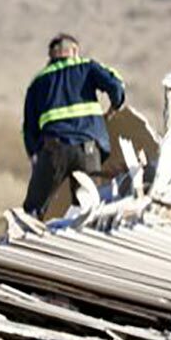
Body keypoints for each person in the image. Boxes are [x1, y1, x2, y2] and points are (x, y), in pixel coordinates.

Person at [21, 33, 125, 219]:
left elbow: (29, 129)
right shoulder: (87, 67)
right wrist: (112, 109)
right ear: (74, 51)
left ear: (52, 55)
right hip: (88, 150)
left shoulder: (38, 82)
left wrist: (35, 156)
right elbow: (116, 85)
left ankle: (25, 244)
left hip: (53, 152)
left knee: (31, 212)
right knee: (89, 211)